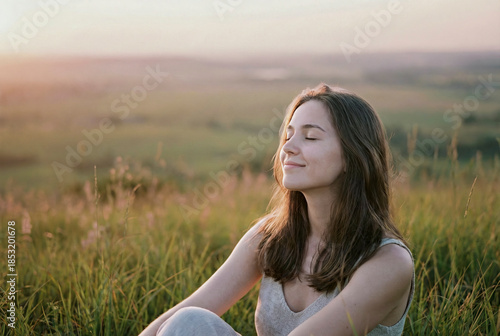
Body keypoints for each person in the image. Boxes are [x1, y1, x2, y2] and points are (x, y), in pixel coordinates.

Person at [139, 84, 414, 336]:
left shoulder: (388, 263)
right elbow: (187, 311)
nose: (288, 148)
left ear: (352, 157)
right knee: (190, 320)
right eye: (289, 135)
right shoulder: (270, 236)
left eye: (310, 138)